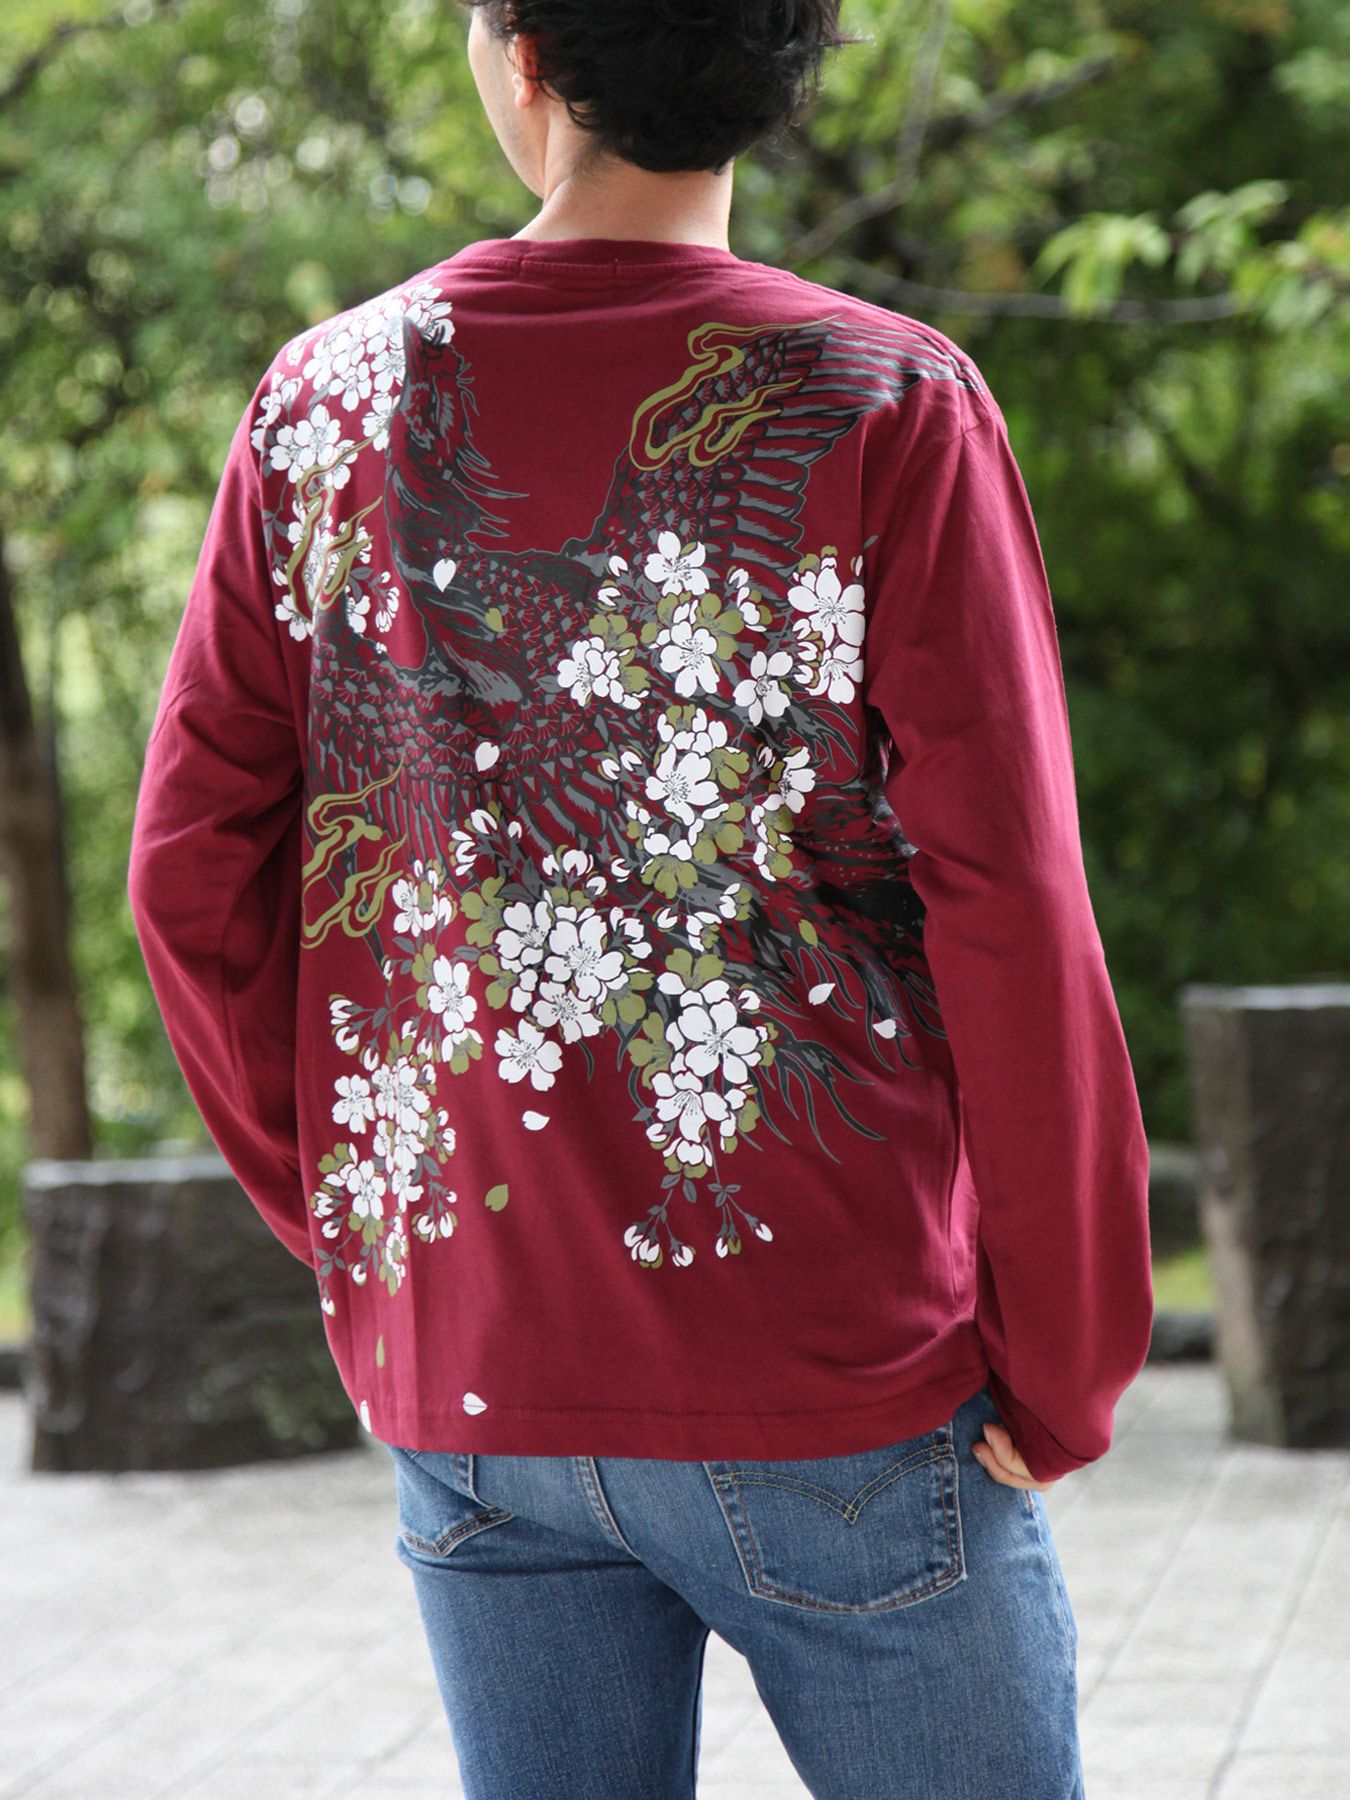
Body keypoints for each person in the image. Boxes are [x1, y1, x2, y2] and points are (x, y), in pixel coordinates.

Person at [127, 1, 1154, 1794]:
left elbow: (192, 869)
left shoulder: (325, 401)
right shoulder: (888, 400)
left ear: (524, 57)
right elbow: (1005, 895)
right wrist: (1066, 1350)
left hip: (480, 1373)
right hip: (828, 1363)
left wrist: (371, 1225)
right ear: (774, 80)